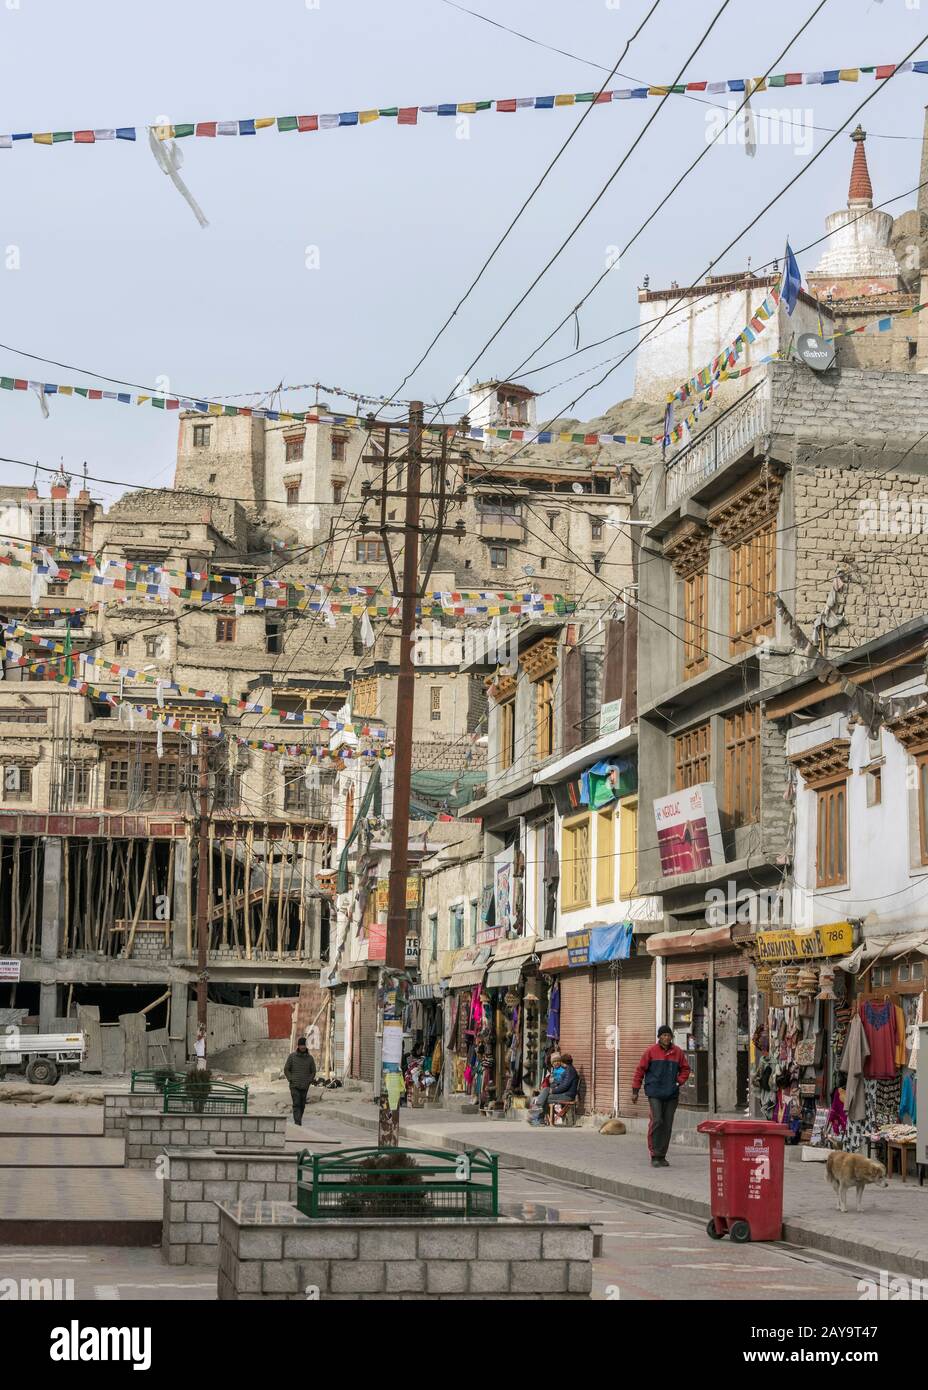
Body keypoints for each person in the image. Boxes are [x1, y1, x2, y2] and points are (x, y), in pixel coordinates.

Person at [631, 1026, 690, 1167]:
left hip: (671, 1094)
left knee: (667, 1125)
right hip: (654, 1093)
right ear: (659, 1037)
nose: (666, 1038)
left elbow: (686, 1069)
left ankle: (662, 1154)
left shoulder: (678, 1052)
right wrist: (635, 1090)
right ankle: (654, 1154)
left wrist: (679, 1082)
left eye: (668, 1035)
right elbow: (640, 1070)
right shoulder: (651, 1052)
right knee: (657, 1121)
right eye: (663, 1035)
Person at [529, 1051, 579, 1125]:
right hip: (565, 1094)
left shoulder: (569, 1071)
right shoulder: (569, 1070)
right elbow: (563, 1084)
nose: (560, 1064)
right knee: (545, 1091)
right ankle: (538, 1115)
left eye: (561, 1062)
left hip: (567, 1095)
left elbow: (564, 1086)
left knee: (545, 1097)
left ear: (564, 1062)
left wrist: (553, 1091)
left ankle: (538, 1116)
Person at [284, 1036, 317, 1126]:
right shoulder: (292, 1057)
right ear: (298, 1046)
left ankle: (299, 1120)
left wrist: (309, 1081)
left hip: (305, 1085)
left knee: (302, 1104)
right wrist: (291, 1079)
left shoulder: (310, 1059)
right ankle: (297, 1122)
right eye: (301, 1045)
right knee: (296, 1103)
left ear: (306, 1046)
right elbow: (286, 1069)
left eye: (304, 1045)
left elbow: (313, 1071)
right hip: (294, 1085)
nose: (302, 1047)